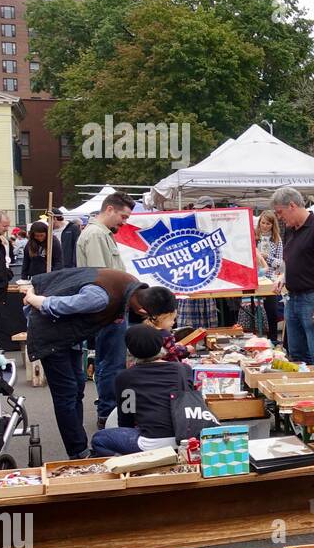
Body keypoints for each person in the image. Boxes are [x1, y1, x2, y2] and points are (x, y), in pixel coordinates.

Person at [23, 267, 152, 458]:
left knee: (77, 389)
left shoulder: (129, 286)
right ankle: (78, 451)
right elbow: (58, 305)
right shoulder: (101, 297)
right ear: (142, 310)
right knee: (66, 395)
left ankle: (80, 446)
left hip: (70, 333)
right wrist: (32, 297)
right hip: (51, 334)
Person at [74, 191, 135, 428]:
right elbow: (103, 279)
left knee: (107, 363)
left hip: (108, 310)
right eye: (123, 216)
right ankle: (108, 412)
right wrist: (117, 311)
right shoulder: (96, 235)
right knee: (112, 364)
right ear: (109, 209)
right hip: (109, 311)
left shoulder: (100, 234)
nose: (124, 221)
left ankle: (106, 411)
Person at [90, 324, 194, 456]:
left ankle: (133, 463)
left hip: (152, 441)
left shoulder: (125, 377)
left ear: (130, 349)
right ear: (160, 344)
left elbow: (126, 417)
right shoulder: (183, 369)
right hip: (188, 435)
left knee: (99, 439)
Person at [273, 187, 314, 392]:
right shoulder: (291, 229)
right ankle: (307, 397)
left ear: (292, 205)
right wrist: (284, 276)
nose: (280, 218)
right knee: (298, 353)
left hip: (313, 296)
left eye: (280, 213)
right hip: (294, 298)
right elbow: (295, 259)